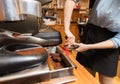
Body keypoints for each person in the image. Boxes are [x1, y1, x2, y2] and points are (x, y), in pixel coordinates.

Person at [64, 0, 120, 84]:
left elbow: (117, 40)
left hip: (110, 43)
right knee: (84, 78)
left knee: (107, 81)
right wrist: (67, 30)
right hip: (91, 33)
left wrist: (88, 47)